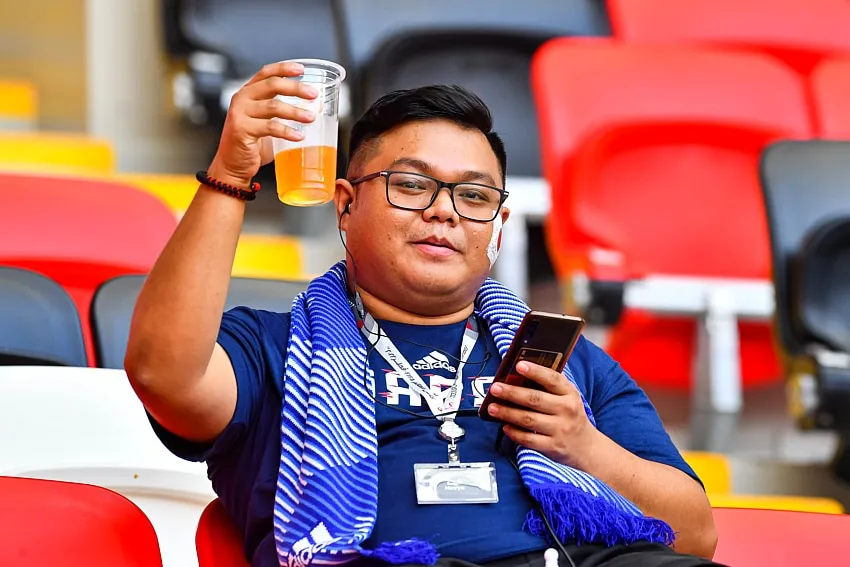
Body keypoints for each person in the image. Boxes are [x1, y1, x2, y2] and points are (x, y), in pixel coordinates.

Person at [125, 61, 721, 567]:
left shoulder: (562, 365)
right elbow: (163, 375)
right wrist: (230, 175)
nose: (444, 212)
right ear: (346, 205)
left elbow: (695, 535)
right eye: (411, 185)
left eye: (474, 196)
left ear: (498, 228)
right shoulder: (273, 347)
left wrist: (585, 447)